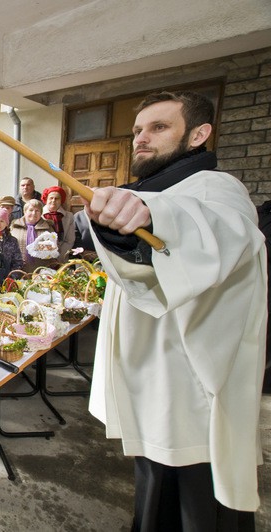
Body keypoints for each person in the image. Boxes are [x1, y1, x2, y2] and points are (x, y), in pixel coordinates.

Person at [84, 90, 266, 529]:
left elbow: (224, 232)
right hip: (155, 381)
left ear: (198, 134)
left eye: (158, 127)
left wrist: (149, 214)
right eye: (138, 131)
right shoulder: (160, 188)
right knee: (155, 492)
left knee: (198, 506)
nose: (141, 139)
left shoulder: (217, 189)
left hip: (191, 390)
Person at [10, 198, 56, 272]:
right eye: (31, 210)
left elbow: (54, 250)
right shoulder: (14, 227)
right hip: (18, 271)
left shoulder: (48, 228)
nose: (34, 213)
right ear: (25, 212)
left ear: (41, 213)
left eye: (37, 211)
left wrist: (39, 247)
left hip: (41, 270)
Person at [42, 185, 76, 260]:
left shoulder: (69, 216)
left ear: (61, 201)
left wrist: (59, 255)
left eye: (57, 198)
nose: (53, 200)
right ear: (46, 199)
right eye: (51, 198)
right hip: (41, 256)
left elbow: (70, 240)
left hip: (61, 256)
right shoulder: (39, 214)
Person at [0, 208, 25, 278]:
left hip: (8, 278)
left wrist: (11, 277)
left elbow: (18, 261)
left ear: (6, 223)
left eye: (2, 221)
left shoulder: (12, 241)